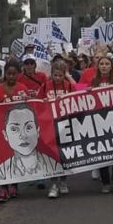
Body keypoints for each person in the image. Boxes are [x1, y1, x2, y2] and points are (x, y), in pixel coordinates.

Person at [0, 59, 32, 203]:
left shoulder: (23, 88)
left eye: (14, 74)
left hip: (18, 130)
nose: (11, 76)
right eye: (9, 74)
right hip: (2, 128)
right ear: (5, 74)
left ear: (18, 74)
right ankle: (3, 187)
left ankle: (14, 184)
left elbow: (29, 108)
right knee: (2, 157)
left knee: (16, 156)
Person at [0, 103, 61, 184]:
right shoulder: (0, 172)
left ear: (37, 131)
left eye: (29, 127)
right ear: (5, 135)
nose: (23, 135)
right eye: (14, 129)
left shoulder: (54, 165)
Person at [90, 54, 113, 193]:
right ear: (98, 66)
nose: (104, 66)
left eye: (107, 64)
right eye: (101, 64)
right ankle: (105, 182)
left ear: (111, 66)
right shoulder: (93, 81)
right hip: (98, 121)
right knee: (102, 152)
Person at [43, 58, 75, 199]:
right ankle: (53, 184)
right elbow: (37, 103)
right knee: (53, 155)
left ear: (64, 74)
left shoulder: (68, 86)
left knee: (64, 155)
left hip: (66, 124)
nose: (57, 78)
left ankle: (63, 181)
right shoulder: (46, 86)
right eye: (55, 75)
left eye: (60, 75)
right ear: (51, 74)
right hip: (50, 125)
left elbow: (78, 99)